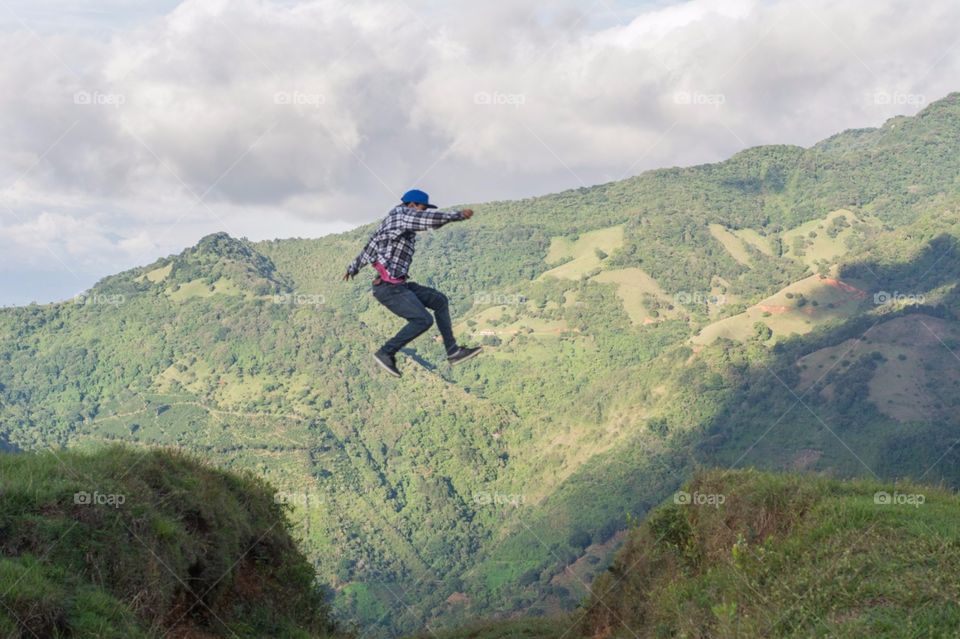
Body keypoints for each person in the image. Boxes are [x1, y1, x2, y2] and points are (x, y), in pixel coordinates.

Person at [343, 189, 482, 377]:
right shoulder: (402, 216)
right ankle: (386, 352)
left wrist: (353, 267)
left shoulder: (394, 222)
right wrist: (456, 216)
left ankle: (453, 352)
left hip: (399, 285)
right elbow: (427, 221)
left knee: (440, 300)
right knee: (423, 320)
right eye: (421, 208)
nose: (422, 212)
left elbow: (371, 246)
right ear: (412, 205)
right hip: (389, 288)